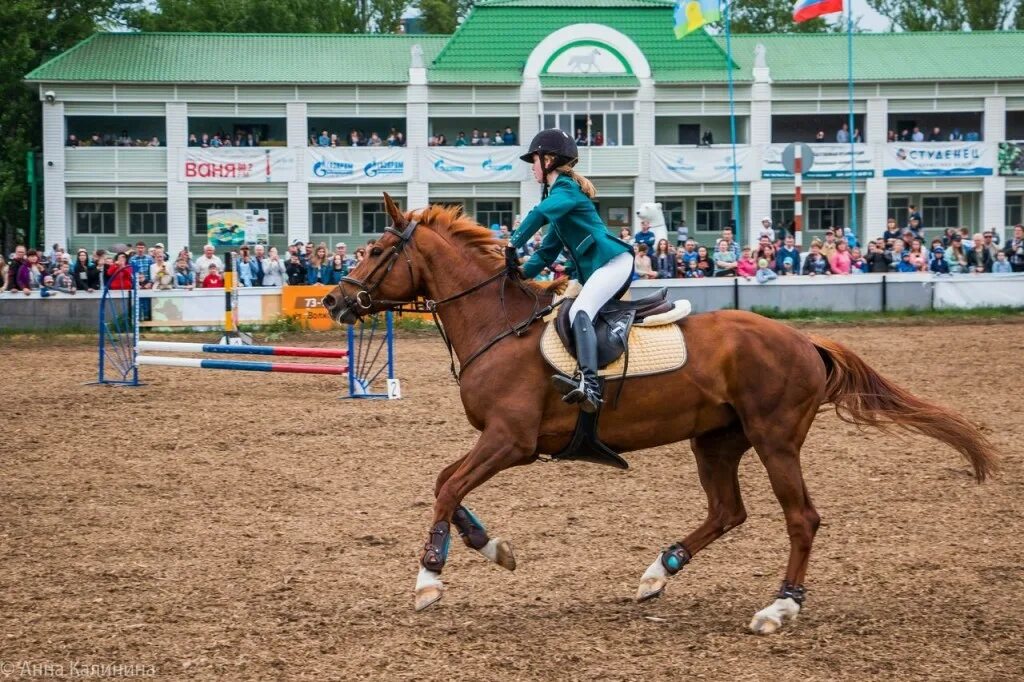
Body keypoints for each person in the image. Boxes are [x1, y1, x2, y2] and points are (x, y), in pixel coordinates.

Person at [506, 129, 634, 413]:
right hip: (601, 267)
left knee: (580, 312)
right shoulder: (561, 198)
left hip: (613, 262)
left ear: (549, 159)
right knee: (561, 311)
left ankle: (591, 386)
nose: (532, 167)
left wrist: (512, 244)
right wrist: (521, 274)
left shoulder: (566, 190)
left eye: (534, 161)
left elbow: (539, 214)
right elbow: (546, 251)